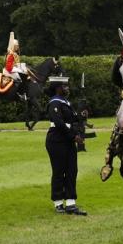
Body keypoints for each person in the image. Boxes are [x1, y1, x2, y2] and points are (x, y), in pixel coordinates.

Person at [45, 76, 87, 215]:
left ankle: (70, 202)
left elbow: (73, 120)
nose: (67, 88)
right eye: (65, 86)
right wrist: (74, 136)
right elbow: (59, 123)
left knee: (71, 171)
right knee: (59, 172)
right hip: (56, 140)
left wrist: (82, 115)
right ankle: (58, 203)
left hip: (68, 140)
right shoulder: (54, 103)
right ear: (58, 88)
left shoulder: (66, 102)